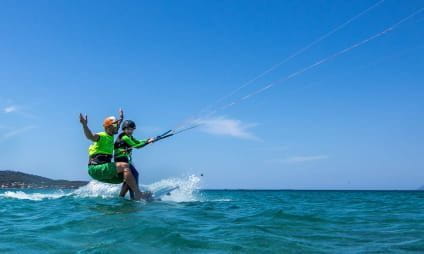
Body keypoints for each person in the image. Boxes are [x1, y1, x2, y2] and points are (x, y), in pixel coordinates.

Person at [79, 109, 147, 200]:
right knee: (125, 166)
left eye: (116, 125)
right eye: (114, 126)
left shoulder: (111, 135)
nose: (117, 127)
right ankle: (138, 194)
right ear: (108, 127)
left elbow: (118, 125)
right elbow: (90, 136)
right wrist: (84, 125)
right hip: (96, 168)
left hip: (104, 169)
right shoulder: (101, 136)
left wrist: (121, 118)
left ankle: (127, 199)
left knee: (130, 174)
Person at [114, 120, 155, 199]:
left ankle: (121, 197)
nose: (130, 131)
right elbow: (136, 146)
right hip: (121, 159)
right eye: (128, 129)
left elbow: (137, 141)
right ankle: (135, 196)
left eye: (132, 129)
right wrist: (148, 142)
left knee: (128, 179)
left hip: (125, 159)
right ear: (124, 129)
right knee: (135, 174)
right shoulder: (125, 137)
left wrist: (147, 140)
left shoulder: (130, 137)